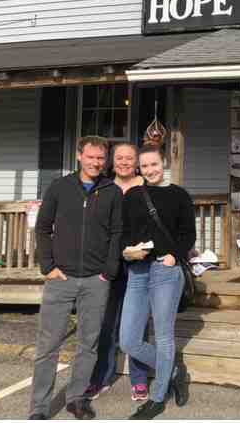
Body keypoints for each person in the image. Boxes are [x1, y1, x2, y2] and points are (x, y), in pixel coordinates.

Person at [29, 136, 123, 420]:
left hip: (96, 280)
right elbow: (43, 228)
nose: (96, 162)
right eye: (91, 157)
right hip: (61, 278)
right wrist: (48, 266)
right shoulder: (59, 187)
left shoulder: (112, 191)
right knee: (48, 346)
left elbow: (117, 233)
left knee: (88, 344)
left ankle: (77, 398)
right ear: (79, 156)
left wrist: (109, 271)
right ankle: (39, 407)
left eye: (100, 158)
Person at [119, 144, 196, 420]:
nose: (150, 170)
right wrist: (128, 251)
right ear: (139, 169)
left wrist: (175, 256)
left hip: (165, 271)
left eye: (154, 164)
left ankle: (157, 398)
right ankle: (174, 371)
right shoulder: (132, 196)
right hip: (137, 272)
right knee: (128, 340)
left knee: (163, 336)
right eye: (145, 166)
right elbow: (124, 233)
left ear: (163, 163)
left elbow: (188, 234)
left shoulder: (179, 195)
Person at [84, 143, 150, 402]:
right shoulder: (103, 187)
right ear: (113, 161)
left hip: (140, 262)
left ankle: (139, 379)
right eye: (119, 158)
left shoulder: (147, 187)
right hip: (109, 263)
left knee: (138, 322)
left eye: (129, 158)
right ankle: (101, 377)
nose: (124, 162)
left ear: (137, 162)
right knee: (107, 322)